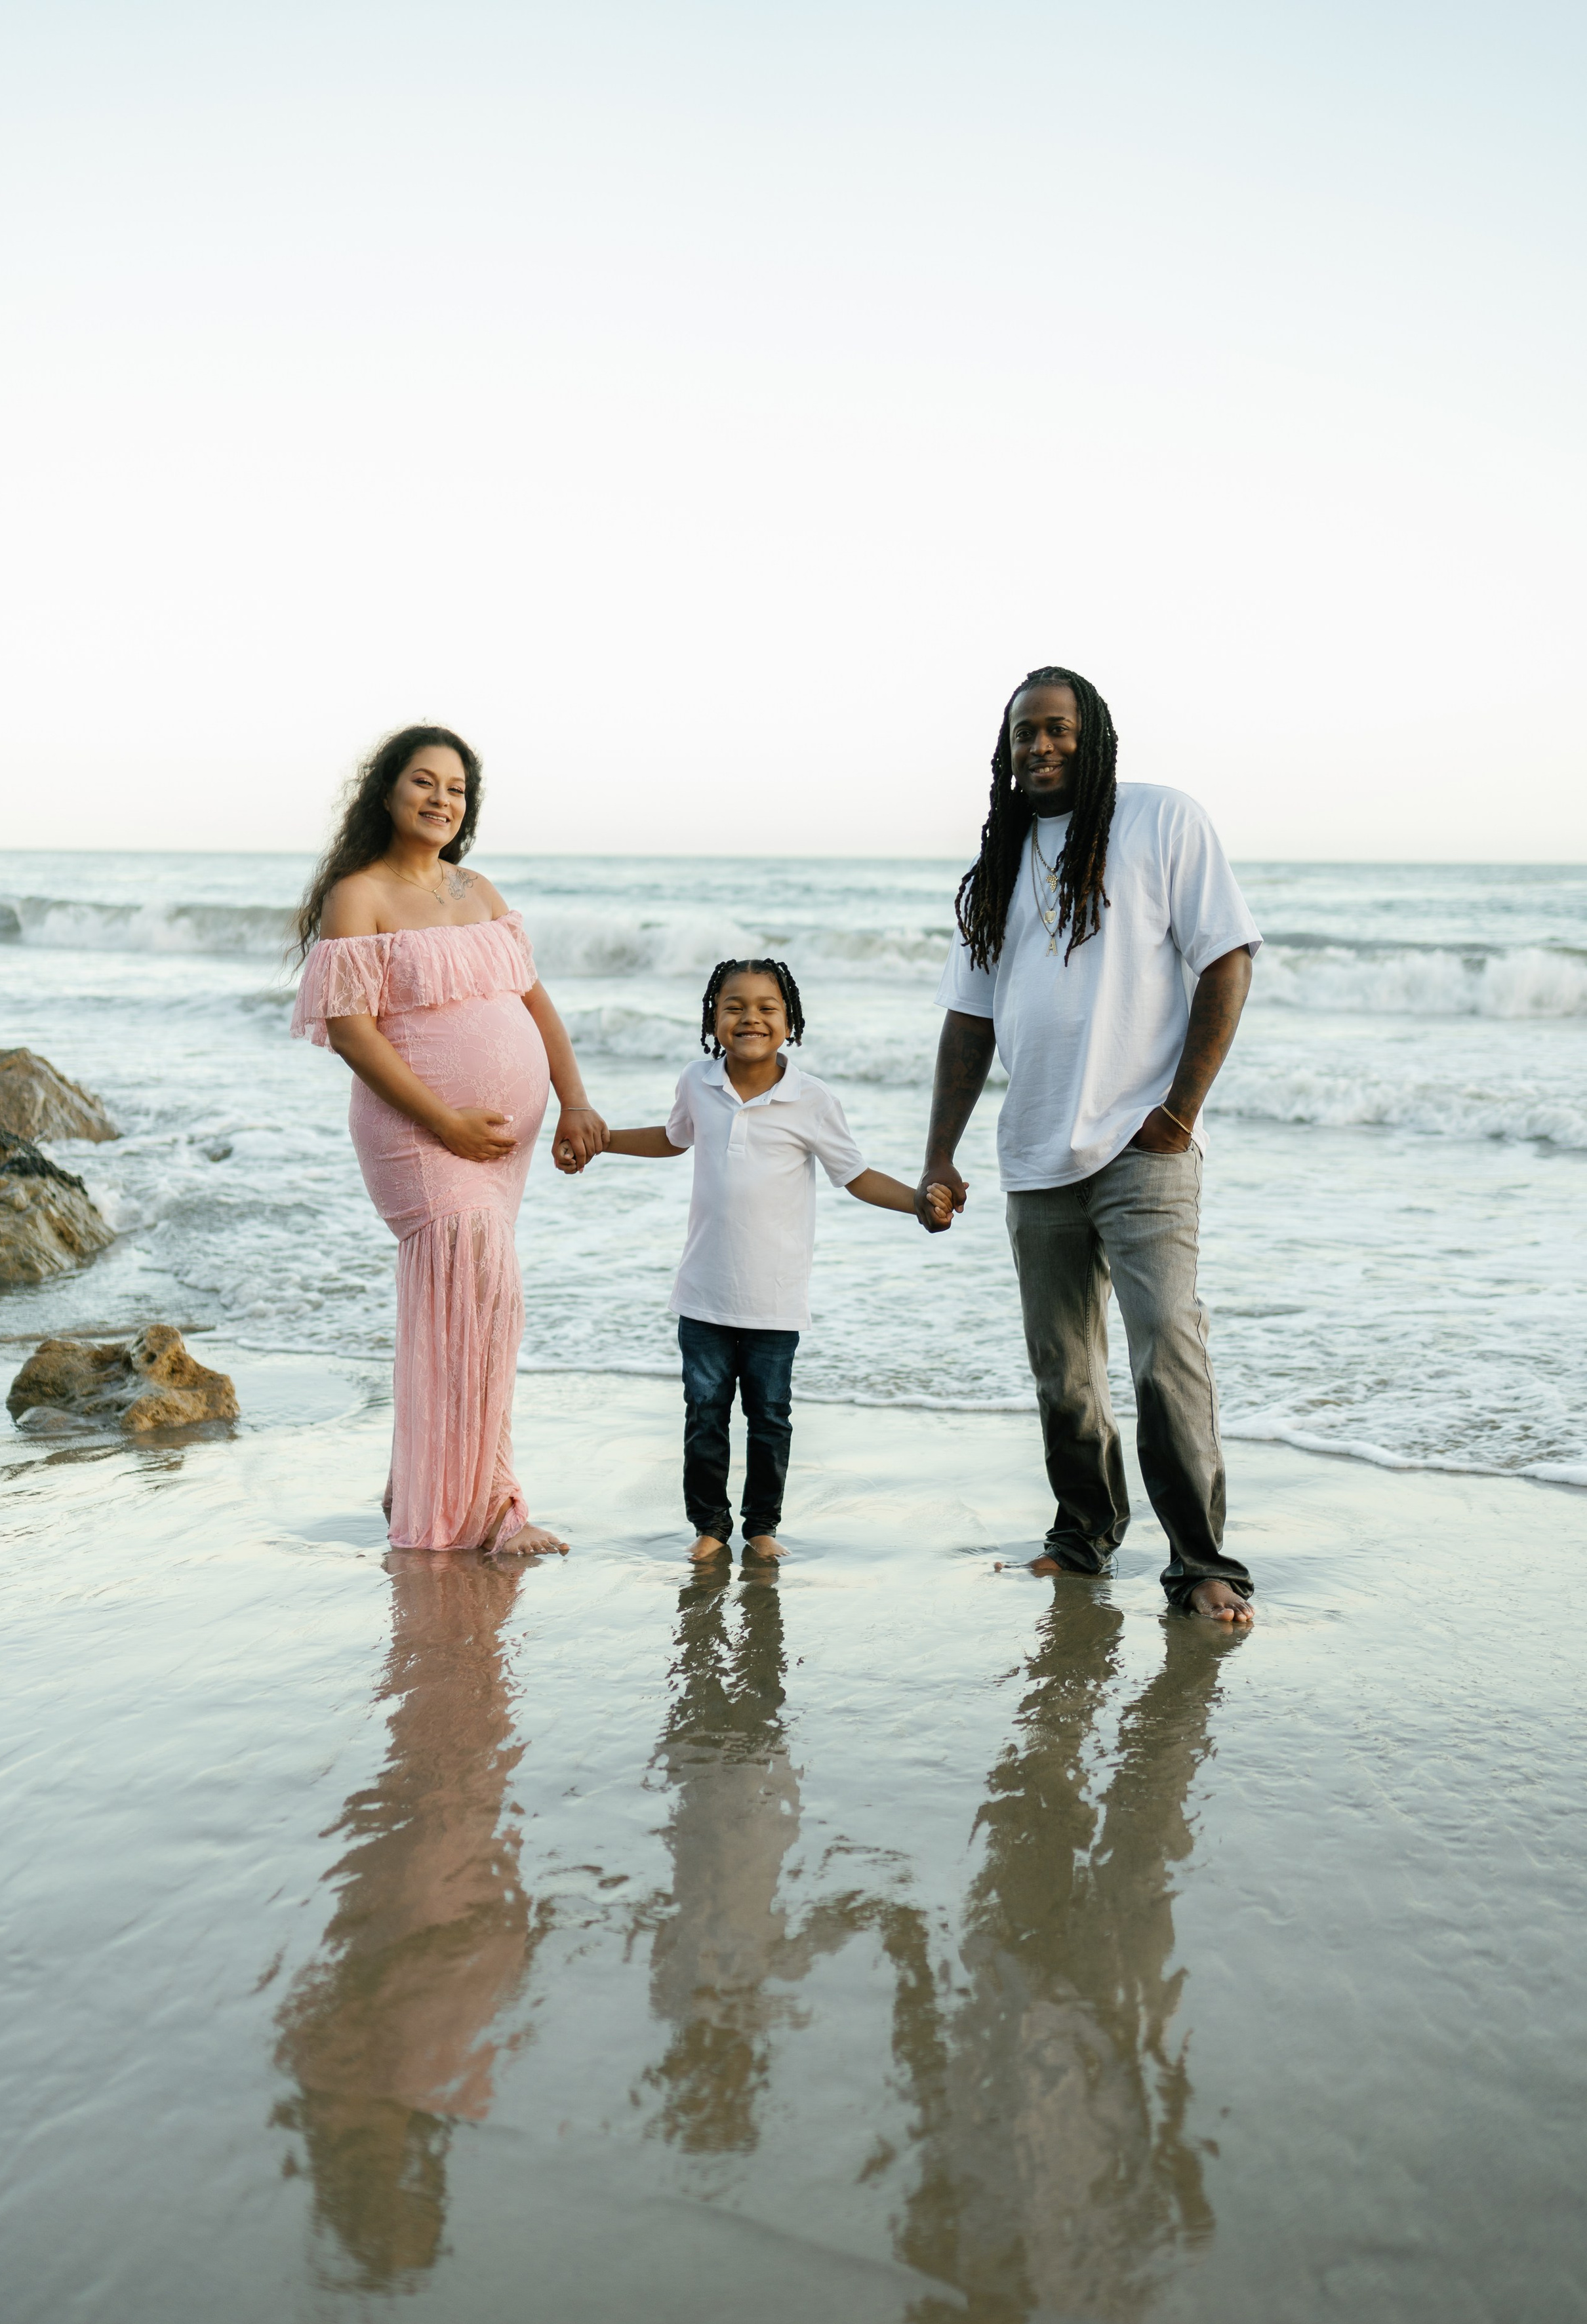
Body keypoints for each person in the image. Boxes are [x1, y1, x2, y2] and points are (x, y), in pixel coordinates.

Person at [917, 668, 1260, 1623]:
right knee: (1063, 1372)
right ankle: (1082, 1540)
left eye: (1059, 729)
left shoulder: (1160, 821)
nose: (1042, 747)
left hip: (1145, 1148)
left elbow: (1227, 957)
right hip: (1034, 1155)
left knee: (1165, 1357)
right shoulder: (997, 867)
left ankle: (1202, 1566)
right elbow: (967, 1022)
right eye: (1025, 733)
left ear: (1096, 734)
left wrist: (1180, 1112)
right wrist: (940, 1155)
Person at [291, 724, 607, 1553]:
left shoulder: (479, 889)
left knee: (473, 1314)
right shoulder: (358, 895)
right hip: (420, 1136)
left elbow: (536, 1006)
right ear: (387, 793)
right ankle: (480, 1512)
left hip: (499, 1150)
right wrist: (445, 1119)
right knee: (482, 1304)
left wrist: (572, 1101)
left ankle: (438, 1489)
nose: (441, 799)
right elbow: (353, 1033)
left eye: (457, 788)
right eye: (423, 782)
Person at [570, 957, 950, 1561]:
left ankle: (762, 1527)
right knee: (705, 1414)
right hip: (703, 1293)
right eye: (734, 1006)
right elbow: (674, 1139)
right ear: (712, 1019)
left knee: (770, 1418)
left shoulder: (812, 1099)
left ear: (791, 1021)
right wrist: (602, 1142)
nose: (751, 1017)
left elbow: (854, 1176)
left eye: (767, 1008)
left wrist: (917, 1205)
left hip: (775, 1297)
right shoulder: (697, 1082)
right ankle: (710, 1529)